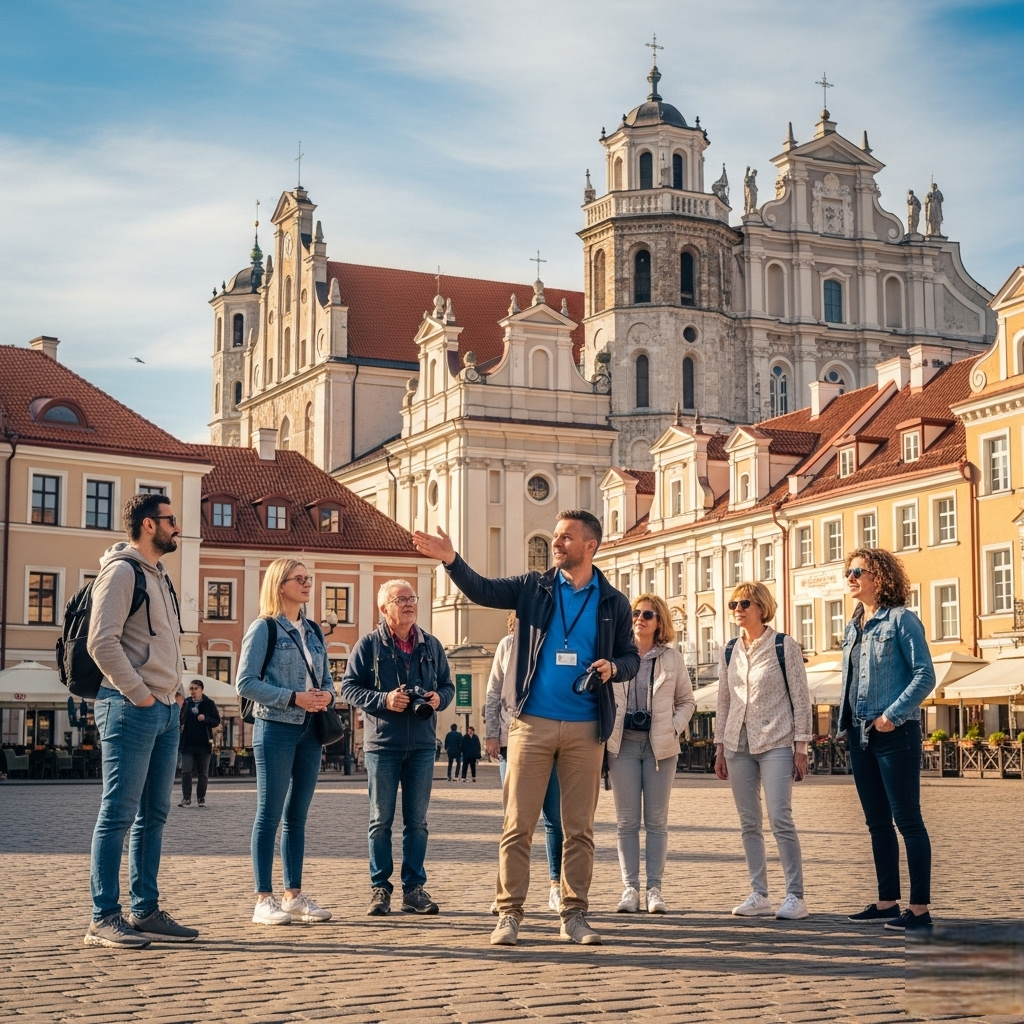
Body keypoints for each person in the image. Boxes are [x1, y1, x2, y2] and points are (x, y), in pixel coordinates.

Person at [414, 511, 639, 947]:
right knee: (518, 825)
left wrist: (614, 667)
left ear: (590, 545)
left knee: (579, 828)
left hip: (586, 727)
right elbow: (482, 589)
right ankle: (508, 915)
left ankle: (574, 915)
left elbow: (631, 656)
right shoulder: (532, 588)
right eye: (555, 536)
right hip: (530, 725)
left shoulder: (612, 601)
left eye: (566, 537)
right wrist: (451, 560)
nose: (557, 543)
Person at [85, 493, 198, 948]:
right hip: (131, 708)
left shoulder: (160, 575)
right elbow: (102, 642)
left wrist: (172, 695)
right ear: (149, 525)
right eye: (172, 520)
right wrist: (142, 696)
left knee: (154, 815)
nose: (178, 528)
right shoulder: (122, 571)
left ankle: (145, 909)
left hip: (166, 710)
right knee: (118, 814)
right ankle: (103, 915)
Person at [342, 579, 454, 917]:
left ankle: (414, 889)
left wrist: (438, 698)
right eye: (400, 599)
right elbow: (349, 688)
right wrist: (383, 699)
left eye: (412, 598)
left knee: (417, 822)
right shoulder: (369, 646)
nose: (408, 604)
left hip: (421, 744)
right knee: (380, 820)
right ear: (384, 608)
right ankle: (380, 888)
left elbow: (447, 685)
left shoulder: (431, 645)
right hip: (383, 745)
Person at [237, 558, 336, 926]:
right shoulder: (263, 628)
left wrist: (326, 694)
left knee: (298, 816)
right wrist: (292, 697)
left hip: (311, 729)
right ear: (281, 585)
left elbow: (325, 677)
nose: (307, 583)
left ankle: (293, 895)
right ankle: (263, 898)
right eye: (300, 579)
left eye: (309, 578)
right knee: (269, 813)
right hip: (275, 728)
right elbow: (244, 683)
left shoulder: (314, 630)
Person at [841, 549, 936, 932]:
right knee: (876, 822)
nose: (850, 577)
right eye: (848, 571)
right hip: (859, 734)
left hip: (895, 733)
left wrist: (890, 717)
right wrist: (848, 725)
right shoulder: (854, 624)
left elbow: (924, 675)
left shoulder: (901, 621)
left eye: (857, 571)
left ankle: (919, 909)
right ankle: (886, 902)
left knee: (907, 820)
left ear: (878, 577)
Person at [714, 582, 812, 922]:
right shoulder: (730, 650)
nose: (737, 609)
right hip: (737, 744)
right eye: (733, 604)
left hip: (776, 742)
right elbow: (724, 700)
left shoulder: (784, 646)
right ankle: (759, 894)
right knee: (748, 822)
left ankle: (795, 896)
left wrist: (802, 747)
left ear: (762, 607)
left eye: (745, 603)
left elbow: (801, 698)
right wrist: (719, 748)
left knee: (780, 818)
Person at [607, 594, 695, 915]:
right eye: (635, 613)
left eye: (648, 614)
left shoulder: (672, 658)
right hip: (623, 744)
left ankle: (654, 889)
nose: (639, 619)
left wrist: (673, 726)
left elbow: (687, 700)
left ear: (659, 622)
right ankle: (629, 888)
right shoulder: (617, 656)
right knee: (627, 821)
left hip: (660, 747)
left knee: (656, 820)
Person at [485, 611, 564, 916]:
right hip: (513, 739)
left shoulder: (557, 643)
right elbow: (493, 691)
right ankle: (506, 890)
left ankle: (557, 885)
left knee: (555, 818)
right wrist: (492, 733)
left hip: (555, 738)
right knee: (514, 821)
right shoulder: (507, 646)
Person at [178, 679, 221, 808]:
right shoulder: (186, 703)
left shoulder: (209, 703)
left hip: (204, 744)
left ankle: (201, 797)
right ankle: (186, 798)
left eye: (195, 688)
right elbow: (179, 718)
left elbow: (216, 721)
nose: (193, 691)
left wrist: (205, 719)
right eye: (191, 688)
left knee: (203, 773)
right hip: (188, 744)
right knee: (186, 771)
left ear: (201, 689)